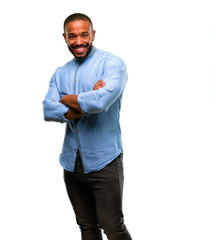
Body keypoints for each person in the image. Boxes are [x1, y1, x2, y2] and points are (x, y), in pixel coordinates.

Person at [43, 13, 132, 240]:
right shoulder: (60, 72)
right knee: (86, 226)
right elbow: (48, 110)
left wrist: (67, 99)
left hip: (105, 161)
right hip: (72, 163)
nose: (79, 41)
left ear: (93, 34)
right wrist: (86, 99)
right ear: (65, 37)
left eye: (84, 34)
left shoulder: (112, 64)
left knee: (112, 227)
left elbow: (100, 101)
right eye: (72, 36)